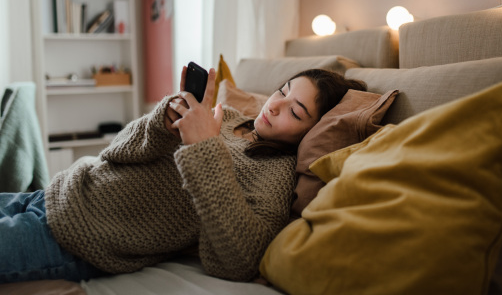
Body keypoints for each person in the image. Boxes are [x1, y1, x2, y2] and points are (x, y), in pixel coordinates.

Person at [0, 66, 366, 284]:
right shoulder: (229, 117)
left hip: (80, 237)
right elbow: (117, 153)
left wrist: (204, 148)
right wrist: (163, 121)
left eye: (295, 111)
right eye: (282, 91)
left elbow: (240, 258)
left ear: (310, 132)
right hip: (62, 190)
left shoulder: (276, 173)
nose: (275, 105)